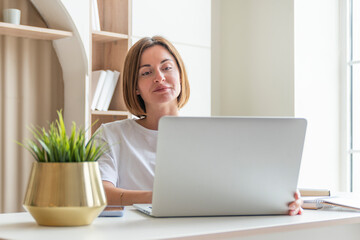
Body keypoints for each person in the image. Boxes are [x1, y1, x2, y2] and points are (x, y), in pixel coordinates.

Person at [96, 36, 303, 216]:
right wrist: (159, 198)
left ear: (179, 75)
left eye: (167, 68)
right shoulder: (111, 134)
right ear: (135, 87)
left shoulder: (210, 135)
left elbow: (238, 190)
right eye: (146, 73)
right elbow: (100, 192)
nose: (159, 77)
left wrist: (282, 197)